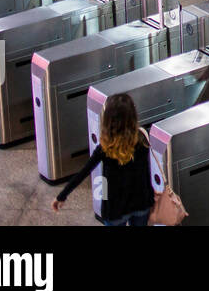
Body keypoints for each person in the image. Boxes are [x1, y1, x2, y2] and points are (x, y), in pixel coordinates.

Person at [52, 93, 154, 226]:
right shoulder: (143, 138)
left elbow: (83, 172)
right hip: (141, 202)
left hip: (114, 208)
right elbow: (146, 172)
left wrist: (62, 196)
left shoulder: (105, 148)